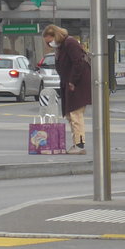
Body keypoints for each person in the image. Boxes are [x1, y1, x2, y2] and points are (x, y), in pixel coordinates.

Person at [42, 24, 91, 154]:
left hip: (76, 84)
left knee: (75, 114)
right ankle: (77, 143)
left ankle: (79, 145)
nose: (49, 44)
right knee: (71, 114)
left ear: (55, 36)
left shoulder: (69, 43)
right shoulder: (62, 46)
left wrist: (72, 81)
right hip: (69, 83)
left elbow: (78, 62)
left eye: (49, 41)